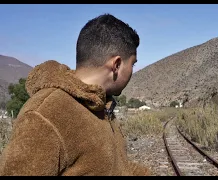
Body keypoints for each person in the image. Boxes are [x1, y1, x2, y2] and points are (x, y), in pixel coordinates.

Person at [0, 13, 151, 176]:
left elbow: (113, 167)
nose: (131, 72)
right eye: (132, 64)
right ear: (117, 64)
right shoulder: (44, 114)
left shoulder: (101, 106)